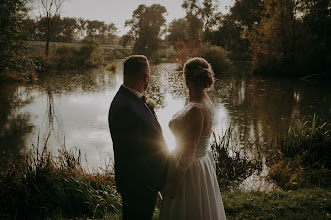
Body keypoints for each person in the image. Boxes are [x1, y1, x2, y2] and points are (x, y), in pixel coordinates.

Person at [159, 57, 227, 220]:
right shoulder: (204, 102)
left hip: (189, 172)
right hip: (201, 163)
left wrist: (175, 183)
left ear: (187, 78)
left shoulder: (196, 109)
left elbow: (189, 150)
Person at [108, 55, 169, 220]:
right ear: (145, 77)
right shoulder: (125, 107)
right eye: (149, 75)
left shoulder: (132, 99)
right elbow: (137, 152)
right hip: (138, 184)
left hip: (142, 183)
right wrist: (159, 182)